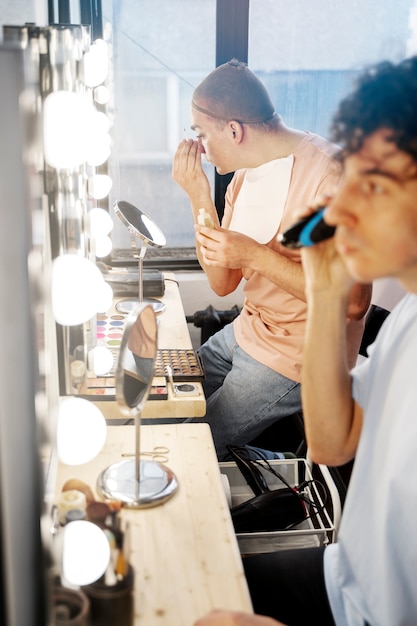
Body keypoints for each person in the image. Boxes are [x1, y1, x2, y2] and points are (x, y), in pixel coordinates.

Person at [193, 55, 417, 626]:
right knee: (197, 590)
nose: (339, 206)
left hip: (370, 613)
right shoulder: (406, 328)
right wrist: (322, 282)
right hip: (346, 581)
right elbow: (333, 441)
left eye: (371, 182)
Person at [172, 59, 371, 460]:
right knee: (167, 399)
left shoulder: (330, 179)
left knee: (194, 451)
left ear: (234, 130)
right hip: (248, 330)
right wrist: (198, 195)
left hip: (295, 355)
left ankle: (296, 479)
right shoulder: (245, 172)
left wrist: (255, 255)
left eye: (202, 136)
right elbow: (222, 282)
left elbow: (353, 303)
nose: (202, 150)